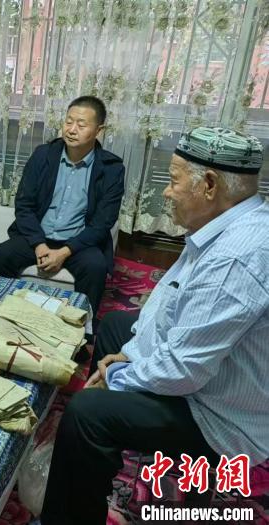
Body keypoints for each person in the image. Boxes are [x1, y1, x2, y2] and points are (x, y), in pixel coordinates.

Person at [40, 127, 269, 524]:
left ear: (209, 185)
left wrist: (117, 377)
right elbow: (168, 305)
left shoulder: (234, 258)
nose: (166, 192)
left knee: (86, 412)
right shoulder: (234, 221)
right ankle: (104, 457)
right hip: (207, 376)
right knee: (116, 326)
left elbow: (183, 371)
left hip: (217, 414)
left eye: (174, 180)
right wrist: (128, 356)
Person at [0, 96, 124, 318]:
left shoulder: (111, 168)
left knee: (96, 268)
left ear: (99, 130)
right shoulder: (43, 155)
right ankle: (0, 314)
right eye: (68, 122)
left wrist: (64, 252)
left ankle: (82, 329)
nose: (72, 130)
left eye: (81, 125)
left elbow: (103, 222)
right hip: (38, 236)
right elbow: (24, 205)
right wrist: (39, 245)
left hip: (79, 242)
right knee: (1, 255)